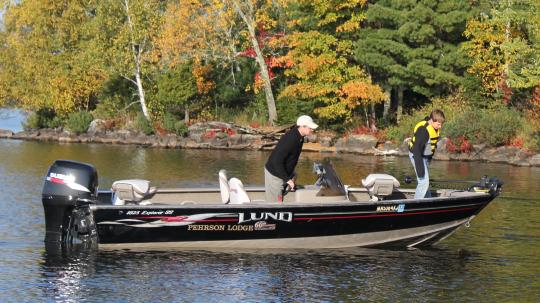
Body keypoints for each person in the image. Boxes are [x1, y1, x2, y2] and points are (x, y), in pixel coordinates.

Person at [265, 115, 318, 203]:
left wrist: (291, 175)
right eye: (310, 127)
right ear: (302, 126)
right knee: (274, 204)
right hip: (274, 174)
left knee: (294, 175)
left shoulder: (300, 136)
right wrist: (287, 179)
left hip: (281, 170)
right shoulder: (291, 139)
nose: (312, 130)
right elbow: (276, 162)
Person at [408, 109, 445, 199]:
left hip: (424, 156)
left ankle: (428, 201)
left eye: (441, 124)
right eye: (438, 124)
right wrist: (420, 169)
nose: (440, 127)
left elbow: (430, 144)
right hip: (417, 156)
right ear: (432, 120)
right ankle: (415, 206)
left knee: (425, 182)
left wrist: (429, 158)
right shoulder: (423, 130)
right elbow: (416, 150)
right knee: (423, 181)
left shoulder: (433, 126)